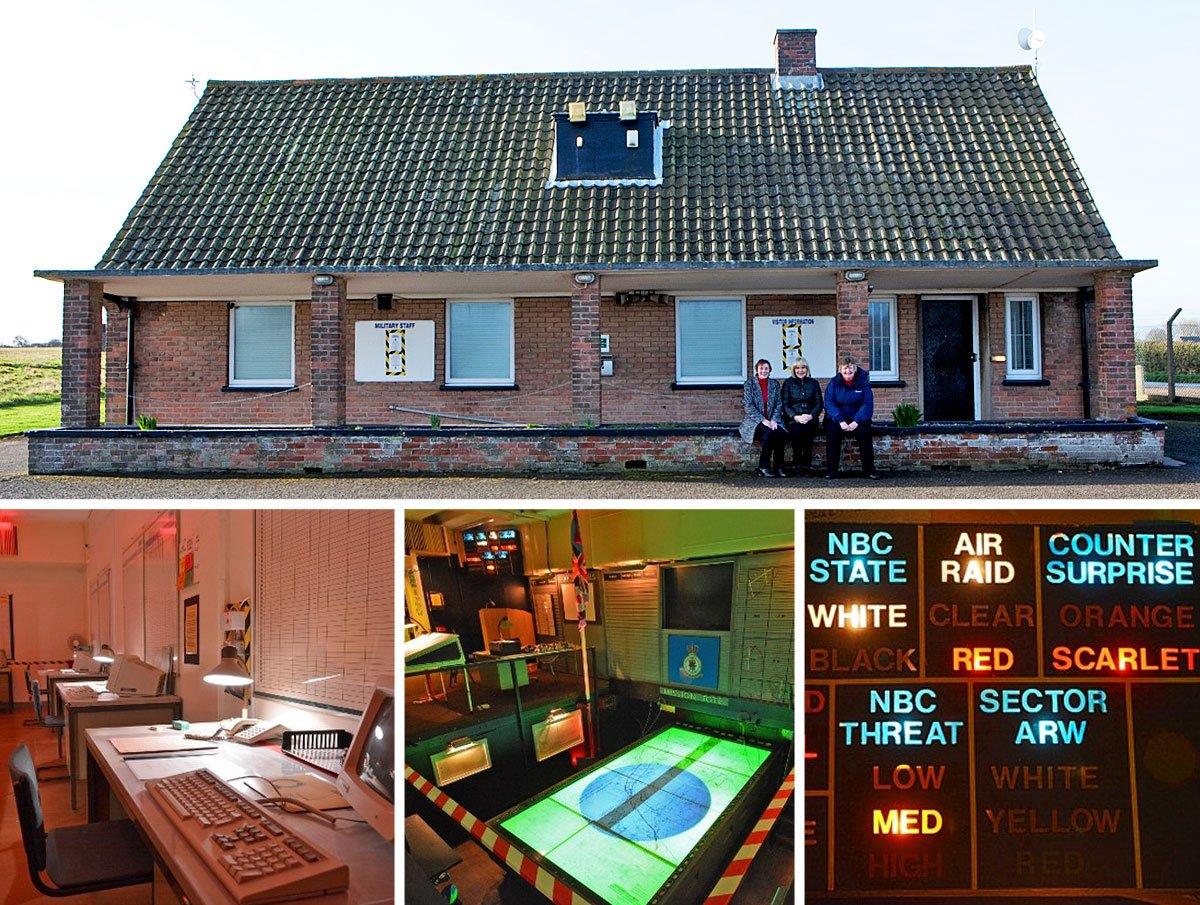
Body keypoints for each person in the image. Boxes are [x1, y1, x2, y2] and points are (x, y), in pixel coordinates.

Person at [823, 354, 880, 479]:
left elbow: (867, 404)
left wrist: (856, 421)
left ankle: (869, 470)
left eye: (850, 370)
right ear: (840, 371)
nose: (848, 373)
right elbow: (829, 403)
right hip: (837, 418)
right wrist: (840, 420)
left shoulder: (863, 382)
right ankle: (831, 471)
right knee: (832, 433)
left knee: (865, 433)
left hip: (857, 418)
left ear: (855, 369)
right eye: (845, 371)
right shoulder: (833, 383)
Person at [740, 359, 788, 477]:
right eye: (761, 368)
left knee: (780, 433)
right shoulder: (749, 384)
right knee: (769, 434)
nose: (764, 371)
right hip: (755, 420)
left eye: (766, 368)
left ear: (770, 370)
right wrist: (763, 420)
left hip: (772, 419)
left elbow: (778, 403)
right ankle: (763, 466)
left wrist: (774, 419)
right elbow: (748, 405)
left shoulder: (775, 384)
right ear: (757, 370)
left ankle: (779, 467)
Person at [781, 358, 823, 473]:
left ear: (807, 369)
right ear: (794, 370)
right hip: (793, 418)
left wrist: (811, 416)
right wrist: (795, 416)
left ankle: (807, 464)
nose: (800, 370)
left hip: (810, 417)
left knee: (808, 432)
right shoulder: (788, 383)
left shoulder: (813, 383)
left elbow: (819, 403)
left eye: (803, 367)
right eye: (797, 368)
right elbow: (785, 404)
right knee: (797, 432)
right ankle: (797, 464)